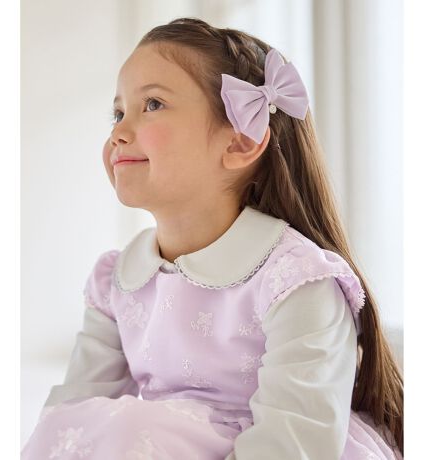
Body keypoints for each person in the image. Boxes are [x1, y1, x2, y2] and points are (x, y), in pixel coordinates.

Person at [21, 17, 403, 459]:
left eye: (153, 105)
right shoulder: (116, 280)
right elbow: (71, 422)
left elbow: (293, 444)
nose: (118, 133)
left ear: (239, 143)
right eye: (118, 113)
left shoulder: (296, 281)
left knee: (129, 427)